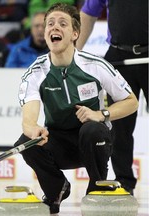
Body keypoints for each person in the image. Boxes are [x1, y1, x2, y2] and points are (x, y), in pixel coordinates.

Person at [14, 3, 138, 215]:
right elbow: (29, 116)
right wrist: (34, 129)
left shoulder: (95, 65)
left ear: (75, 33)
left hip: (93, 141)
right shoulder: (35, 72)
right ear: (45, 34)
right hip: (59, 143)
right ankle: (56, 189)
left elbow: (131, 101)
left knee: (93, 129)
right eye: (50, 24)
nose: (55, 28)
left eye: (63, 24)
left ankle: (96, 190)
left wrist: (101, 114)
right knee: (27, 142)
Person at [76, 0, 148, 195]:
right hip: (118, 55)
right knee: (119, 126)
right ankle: (124, 183)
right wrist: (75, 54)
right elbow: (88, 13)